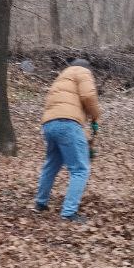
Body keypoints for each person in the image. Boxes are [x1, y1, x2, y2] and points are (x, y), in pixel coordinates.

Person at [34, 58, 101, 223]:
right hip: (68, 124)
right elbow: (88, 95)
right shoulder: (83, 72)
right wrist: (96, 115)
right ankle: (69, 212)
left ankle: (40, 203)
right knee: (80, 169)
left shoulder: (62, 77)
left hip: (49, 125)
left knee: (52, 164)